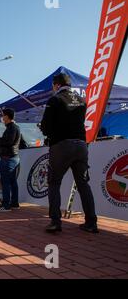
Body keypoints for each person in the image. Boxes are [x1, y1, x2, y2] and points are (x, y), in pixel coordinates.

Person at [40, 73, 98, 233]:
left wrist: (44, 128)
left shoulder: (54, 100)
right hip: (81, 145)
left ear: (56, 85)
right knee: (83, 183)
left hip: (61, 145)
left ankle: (55, 222)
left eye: (53, 86)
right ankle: (91, 222)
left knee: (54, 182)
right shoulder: (82, 100)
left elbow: (46, 127)